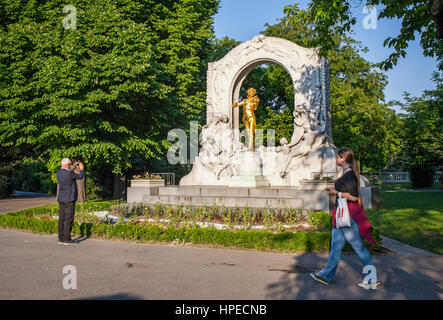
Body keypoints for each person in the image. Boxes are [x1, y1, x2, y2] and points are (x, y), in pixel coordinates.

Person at [310, 147, 381, 289]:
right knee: (335, 247)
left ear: (343, 158)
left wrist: (336, 192)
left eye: (337, 157)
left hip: (347, 215)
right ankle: (325, 276)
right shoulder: (346, 173)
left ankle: (372, 278)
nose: (335, 159)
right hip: (341, 214)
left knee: (359, 247)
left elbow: (354, 197)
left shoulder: (350, 176)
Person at [56, 158, 85, 245]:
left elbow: (68, 172)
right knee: (69, 218)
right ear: (67, 165)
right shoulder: (70, 173)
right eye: (69, 165)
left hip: (61, 198)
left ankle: (60, 238)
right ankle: (67, 239)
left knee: (62, 218)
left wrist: (73, 167)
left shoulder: (58, 173)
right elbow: (80, 176)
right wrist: (81, 169)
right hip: (69, 199)